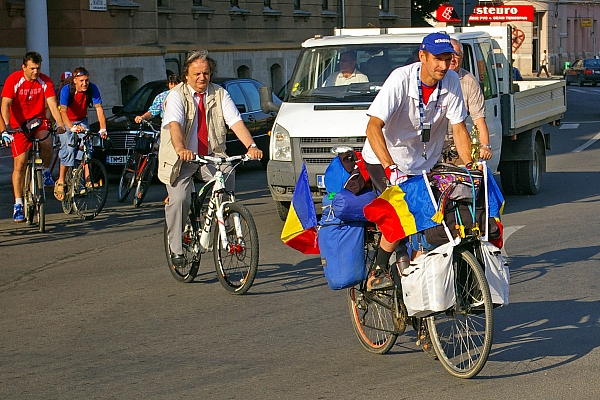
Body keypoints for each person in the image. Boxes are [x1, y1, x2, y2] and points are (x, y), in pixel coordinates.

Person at [360, 33, 474, 291]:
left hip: (423, 161)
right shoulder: (401, 80)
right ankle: (378, 270)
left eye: (448, 59)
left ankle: (422, 295)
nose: (444, 66)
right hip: (385, 158)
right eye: (437, 59)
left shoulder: (452, 81)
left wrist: (470, 166)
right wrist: (390, 168)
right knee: (401, 215)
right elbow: (373, 127)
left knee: (437, 216)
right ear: (422, 56)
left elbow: (458, 128)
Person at [158, 49, 262, 267]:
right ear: (186, 75)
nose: (201, 78)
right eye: (196, 74)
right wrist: (180, 148)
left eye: (205, 73)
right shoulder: (176, 96)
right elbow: (174, 125)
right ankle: (176, 248)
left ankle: (227, 221)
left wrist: (251, 146)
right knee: (180, 199)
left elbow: (235, 122)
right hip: (183, 159)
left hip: (211, 156)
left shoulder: (220, 94)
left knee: (227, 176)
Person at [1, 51, 66, 222]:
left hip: (37, 122)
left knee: (46, 140)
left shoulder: (45, 81)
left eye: (38, 68)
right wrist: (7, 128)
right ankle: (18, 204)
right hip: (18, 126)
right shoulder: (14, 80)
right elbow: (5, 104)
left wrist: (60, 124)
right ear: (24, 67)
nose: (35, 72)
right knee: (20, 163)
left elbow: (52, 104)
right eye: (32, 69)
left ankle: (44, 172)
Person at [54, 67, 108, 201]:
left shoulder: (92, 89)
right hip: (66, 121)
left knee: (87, 148)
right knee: (69, 148)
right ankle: (61, 180)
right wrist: (71, 127)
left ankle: (86, 180)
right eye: (82, 81)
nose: (85, 83)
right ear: (75, 80)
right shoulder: (67, 89)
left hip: (81, 120)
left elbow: (99, 109)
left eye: (87, 80)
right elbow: (63, 112)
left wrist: (103, 128)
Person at [444, 39, 492, 163]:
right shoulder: (429, 79)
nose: (452, 59)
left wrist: (485, 146)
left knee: (472, 175)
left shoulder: (469, 81)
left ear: (462, 57)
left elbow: (479, 119)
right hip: (429, 147)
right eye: (449, 55)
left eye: (456, 55)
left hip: (456, 145)